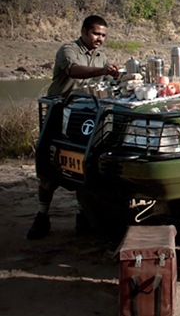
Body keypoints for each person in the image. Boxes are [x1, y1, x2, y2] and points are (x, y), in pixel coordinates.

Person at [27, 15, 119, 240]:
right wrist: (103, 70)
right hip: (59, 112)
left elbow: (103, 84)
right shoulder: (68, 50)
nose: (100, 39)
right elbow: (74, 71)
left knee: (87, 164)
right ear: (85, 31)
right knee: (50, 167)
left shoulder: (101, 57)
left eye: (104, 35)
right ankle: (42, 215)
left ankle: (83, 215)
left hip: (85, 115)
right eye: (97, 34)